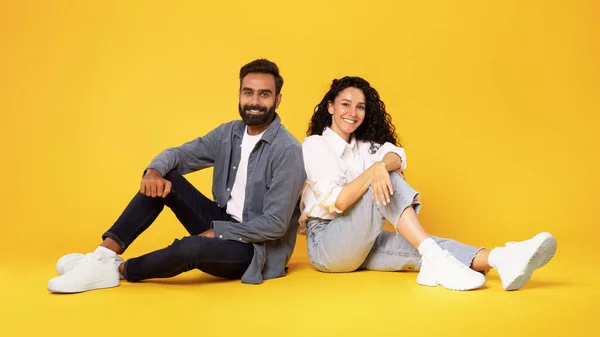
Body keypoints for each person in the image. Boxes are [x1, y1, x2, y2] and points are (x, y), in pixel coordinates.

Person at [48, 59, 306, 293]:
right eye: (248, 92)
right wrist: (153, 171)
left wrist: (219, 233)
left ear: (278, 100)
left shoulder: (288, 150)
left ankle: (118, 270)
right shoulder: (229, 133)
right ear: (239, 94)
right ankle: (104, 254)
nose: (254, 101)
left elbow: (274, 224)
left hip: (254, 249)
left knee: (191, 247)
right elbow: (179, 155)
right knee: (166, 179)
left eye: (264, 94)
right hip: (222, 221)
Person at [299, 76, 556, 291]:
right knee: (386, 180)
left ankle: (503, 259)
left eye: (360, 107)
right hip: (327, 245)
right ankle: (436, 257)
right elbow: (341, 201)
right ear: (330, 107)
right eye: (345, 104)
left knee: (424, 246)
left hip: (359, 242)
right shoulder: (315, 145)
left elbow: (396, 156)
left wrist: (381, 165)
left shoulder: (364, 147)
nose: (352, 113)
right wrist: (377, 171)